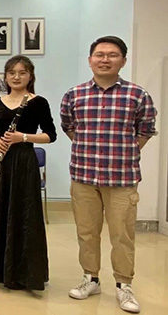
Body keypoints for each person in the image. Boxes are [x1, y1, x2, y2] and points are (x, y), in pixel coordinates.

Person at [61, 36, 157, 314]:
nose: (105, 59)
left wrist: (123, 152)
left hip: (122, 178)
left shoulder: (137, 95)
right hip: (84, 176)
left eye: (112, 55)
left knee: (122, 235)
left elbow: (145, 131)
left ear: (123, 61)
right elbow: (69, 127)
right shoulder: (74, 95)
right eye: (99, 55)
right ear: (90, 60)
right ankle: (90, 278)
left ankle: (123, 285)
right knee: (86, 232)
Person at [0, 55, 56, 291]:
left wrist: (23, 137)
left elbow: (50, 135)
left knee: (24, 212)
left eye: (22, 73)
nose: (16, 77)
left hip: (24, 162)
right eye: (12, 73)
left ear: (30, 76)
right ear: (6, 76)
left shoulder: (38, 102)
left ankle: (24, 272)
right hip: (2, 161)